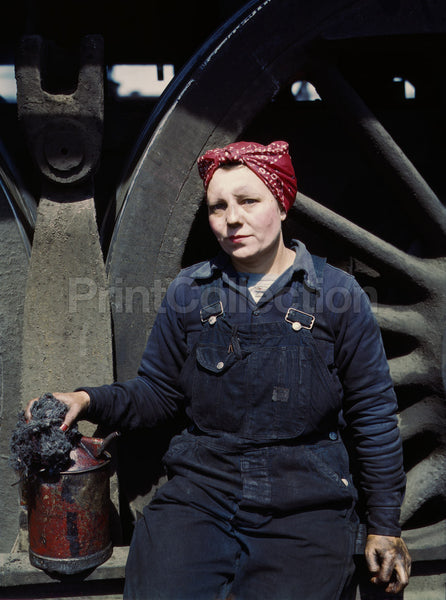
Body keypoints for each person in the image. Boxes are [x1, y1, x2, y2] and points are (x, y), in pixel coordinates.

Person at [26, 141, 411, 599]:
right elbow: (158, 393)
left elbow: (373, 417)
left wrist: (385, 526)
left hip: (306, 497)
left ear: (282, 203)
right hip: (204, 490)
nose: (232, 219)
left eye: (249, 201)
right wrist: (84, 399)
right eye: (217, 207)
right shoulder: (189, 292)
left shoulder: (337, 296)